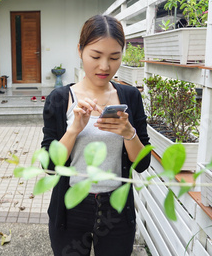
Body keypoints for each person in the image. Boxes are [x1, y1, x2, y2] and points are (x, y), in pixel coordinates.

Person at [41, 14, 151, 256]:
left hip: (116, 211)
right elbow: (49, 165)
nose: (104, 66)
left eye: (114, 57)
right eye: (96, 56)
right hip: (70, 209)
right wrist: (73, 130)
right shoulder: (60, 100)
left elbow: (142, 164)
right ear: (80, 50)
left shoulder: (130, 97)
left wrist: (129, 133)